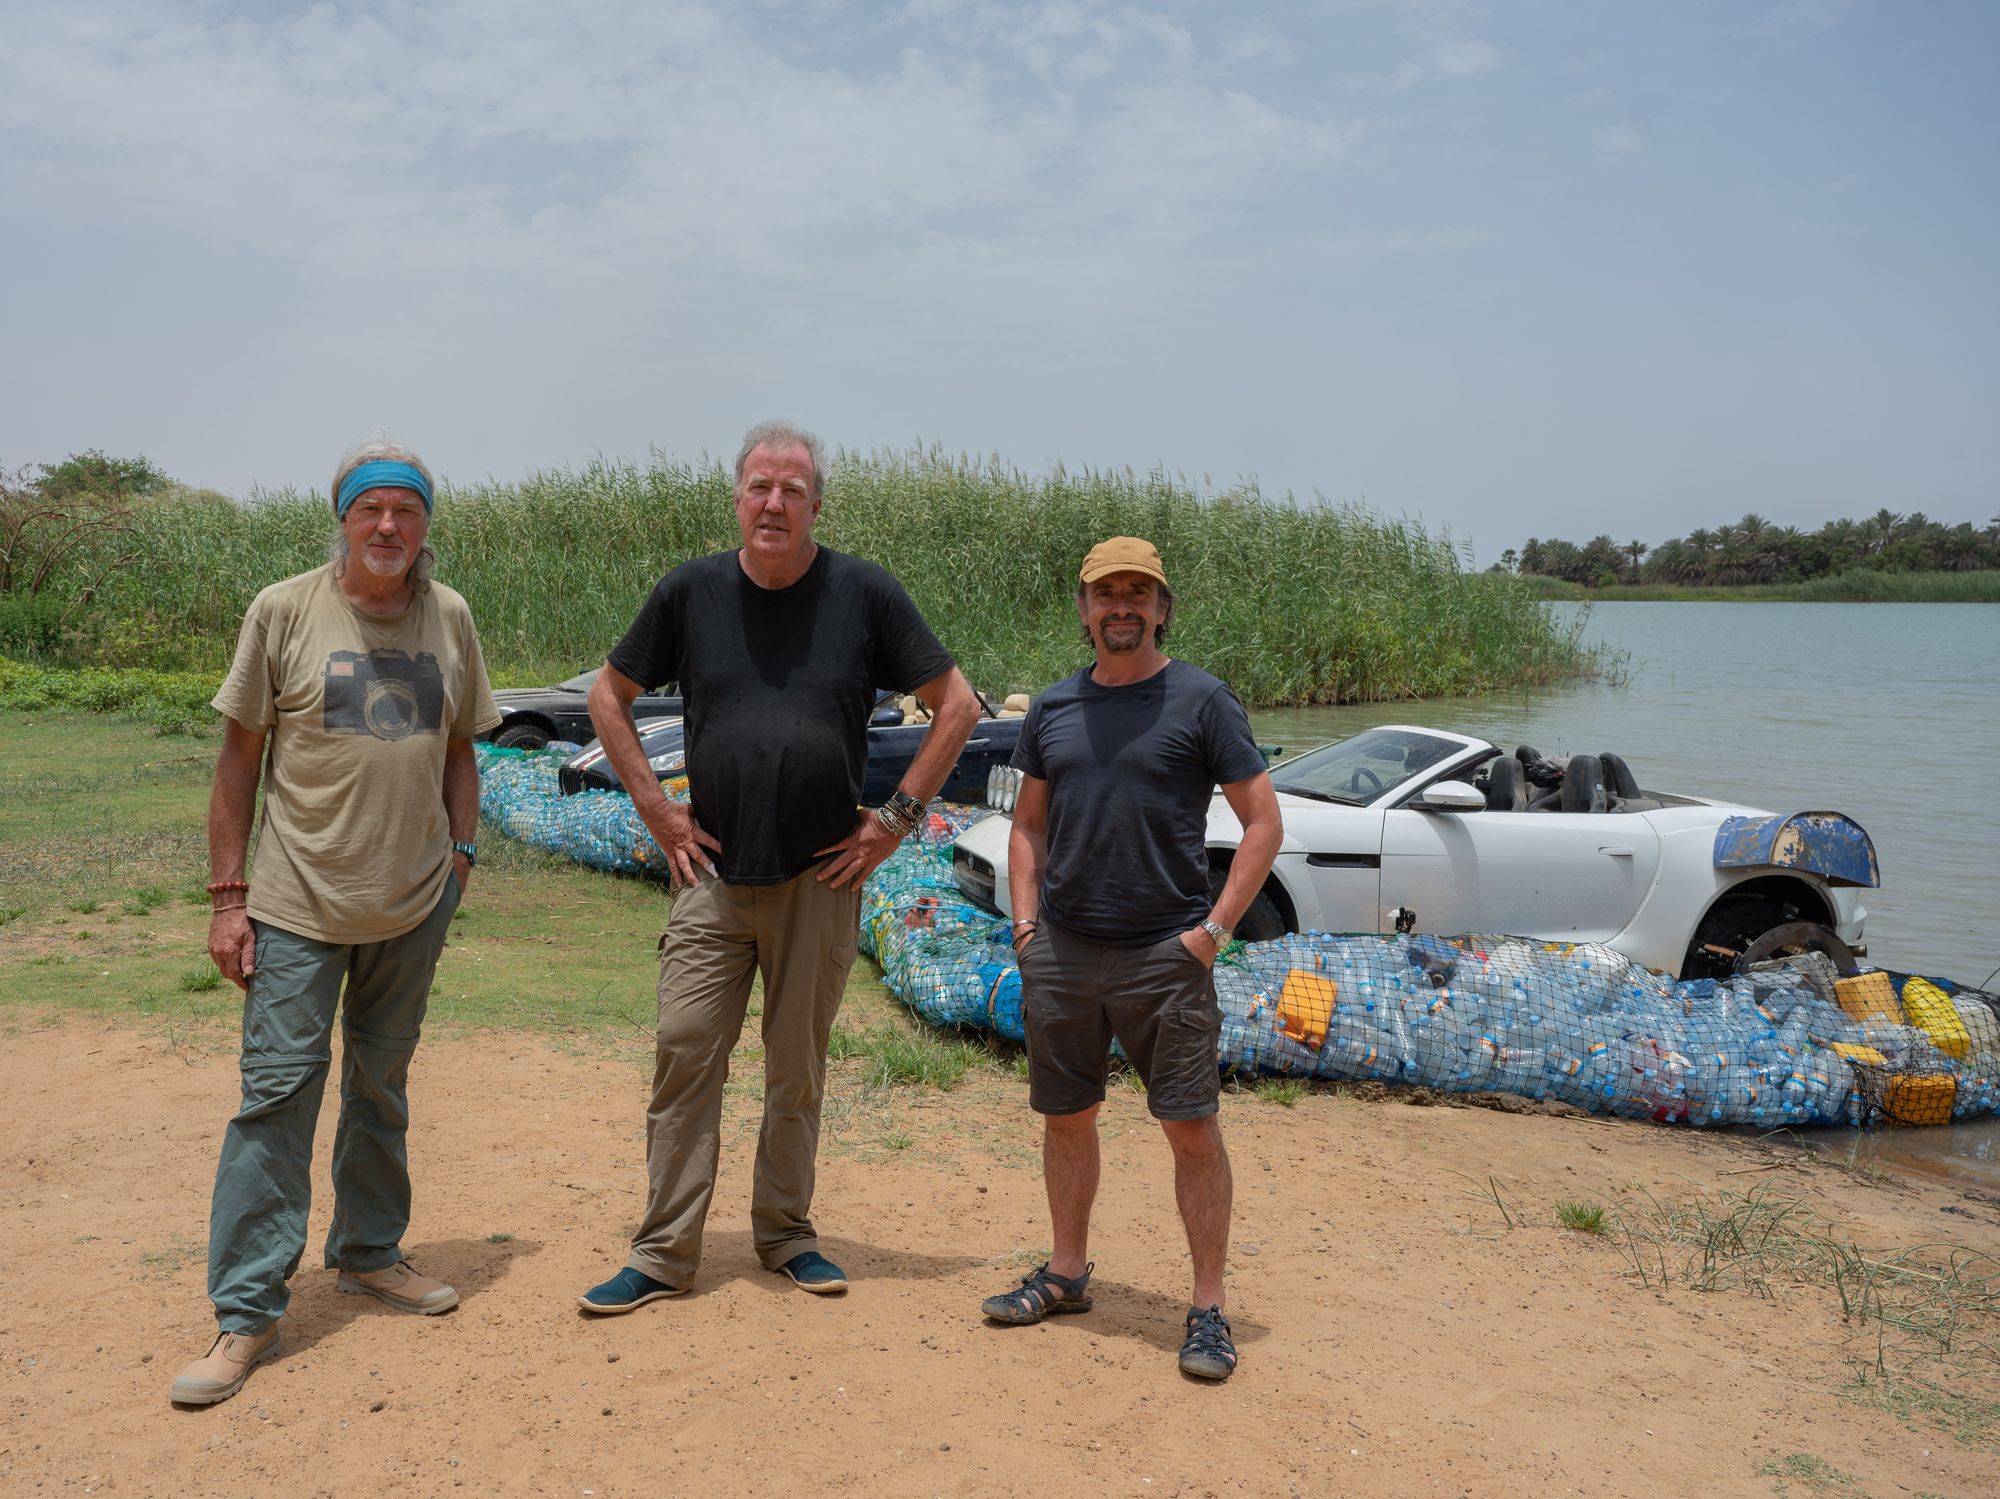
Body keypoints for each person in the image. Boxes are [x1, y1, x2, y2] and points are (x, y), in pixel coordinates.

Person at [578, 420, 978, 1313]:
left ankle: (786, 1234)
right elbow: (609, 694)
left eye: (792, 489)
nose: (774, 503)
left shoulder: (864, 593)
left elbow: (957, 704)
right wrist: (653, 804)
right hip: (710, 873)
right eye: (760, 485)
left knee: (796, 1065)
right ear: (737, 498)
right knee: (685, 1050)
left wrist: (895, 821)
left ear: (816, 505)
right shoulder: (691, 593)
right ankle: (665, 1250)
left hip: (819, 878)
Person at [170, 437, 500, 1406]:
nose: (389, 527)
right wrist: (228, 900)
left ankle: (368, 1251)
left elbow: (457, 751)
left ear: (425, 523)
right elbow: (237, 762)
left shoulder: (450, 616)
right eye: (371, 510)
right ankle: (244, 1311)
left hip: (411, 903)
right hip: (295, 901)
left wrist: (463, 854)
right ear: (344, 520)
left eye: (406, 510)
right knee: (276, 1096)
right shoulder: (284, 609)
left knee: (381, 1084)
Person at [979, 536, 1282, 1381]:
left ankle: (1209, 1308)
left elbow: (1262, 822)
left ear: (1161, 607)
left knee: (1189, 1126)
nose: (1122, 605)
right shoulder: (1052, 709)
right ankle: (1068, 1271)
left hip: (1166, 955)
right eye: (1105, 592)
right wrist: (1028, 930)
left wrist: (1212, 933)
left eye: (1137, 592)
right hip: (1066, 952)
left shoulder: (1203, 701)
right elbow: (1028, 826)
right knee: (1066, 1117)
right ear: (1083, 609)